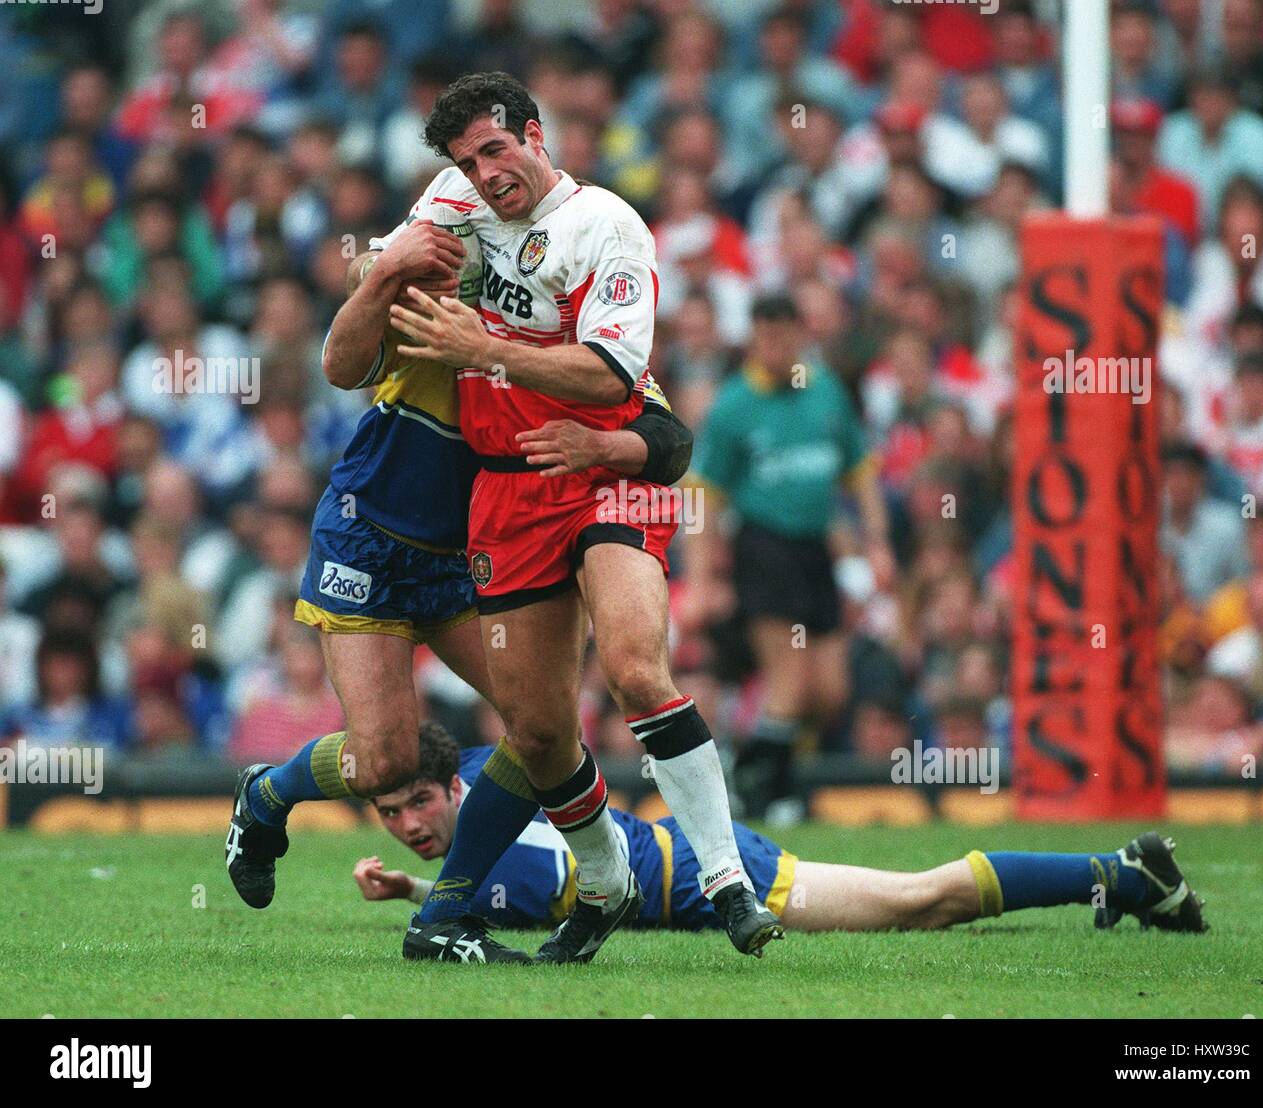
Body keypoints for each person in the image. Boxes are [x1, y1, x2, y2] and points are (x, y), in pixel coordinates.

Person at [223, 178, 693, 945]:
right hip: (369, 536)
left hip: (467, 557)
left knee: (541, 728)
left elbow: (657, 424)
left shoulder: (582, 346)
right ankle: (267, 795)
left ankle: (448, 913)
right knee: (385, 762)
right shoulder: (437, 303)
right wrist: (379, 270)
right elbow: (340, 364)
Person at [385, 71, 778, 964]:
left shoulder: (606, 224)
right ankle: (605, 883)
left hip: (605, 459)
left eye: (495, 150)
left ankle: (727, 881)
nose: (483, 175)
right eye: (466, 161)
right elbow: (379, 268)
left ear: (533, 134)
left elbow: (607, 375)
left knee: (637, 668)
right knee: (535, 730)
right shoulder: (453, 202)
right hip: (507, 484)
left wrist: (479, 346)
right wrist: (391, 273)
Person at [350, 723, 1208, 955]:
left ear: (456, 786)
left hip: (716, 877)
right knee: (920, 903)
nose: (409, 825)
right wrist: (419, 891)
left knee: (921, 904)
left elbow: (541, 886)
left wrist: (438, 902)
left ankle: (1124, 873)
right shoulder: (490, 799)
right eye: (390, 814)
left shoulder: (504, 842)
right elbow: (516, 881)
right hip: (691, 859)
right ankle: (1120, 875)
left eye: (418, 803)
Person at [683, 293, 893, 820]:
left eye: (782, 335)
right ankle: (771, 795)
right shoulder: (734, 405)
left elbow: (860, 471)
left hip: (817, 549)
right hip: (764, 547)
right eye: (764, 337)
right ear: (754, 339)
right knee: (790, 678)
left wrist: (878, 543)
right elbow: (705, 495)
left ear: (800, 334)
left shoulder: (825, 392)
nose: (774, 347)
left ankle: (746, 766)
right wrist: (704, 577)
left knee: (829, 689)